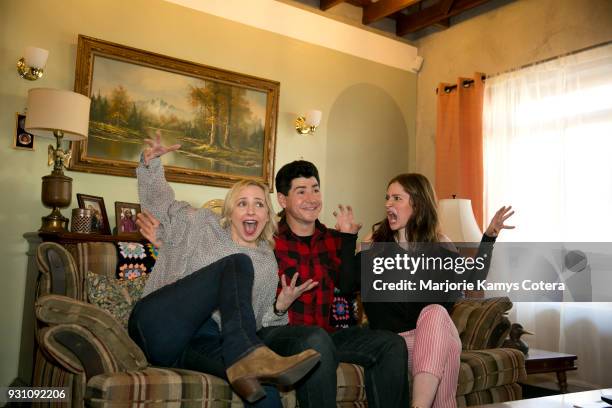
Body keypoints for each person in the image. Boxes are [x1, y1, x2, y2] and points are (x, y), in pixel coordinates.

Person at [128, 133, 321, 406]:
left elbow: (251, 322)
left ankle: (249, 359)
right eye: (243, 203)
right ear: (230, 212)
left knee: (264, 386)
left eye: (259, 204)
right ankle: (250, 354)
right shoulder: (203, 224)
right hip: (159, 323)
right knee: (238, 263)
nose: (251, 210)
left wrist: (279, 307)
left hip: (201, 342)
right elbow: (161, 206)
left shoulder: (267, 261)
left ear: (268, 215)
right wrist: (151, 164)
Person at [356, 173, 514, 408]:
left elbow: (472, 280)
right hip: (395, 342)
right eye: (387, 198)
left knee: (435, 313)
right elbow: (349, 283)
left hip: (433, 332)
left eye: (397, 198)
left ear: (417, 204)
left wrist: (489, 237)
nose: (388, 204)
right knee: (447, 346)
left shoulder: (440, 243)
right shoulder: (376, 243)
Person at [272, 160, 410, 408]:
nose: (312, 198)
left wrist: (349, 239)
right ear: (283, 200)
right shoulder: (270, 240)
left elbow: (349, 285)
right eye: (301, 191)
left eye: (315, 189)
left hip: (328, 335)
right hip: (284, 335)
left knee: (391, 343)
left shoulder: (333, 240)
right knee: (315, 339)